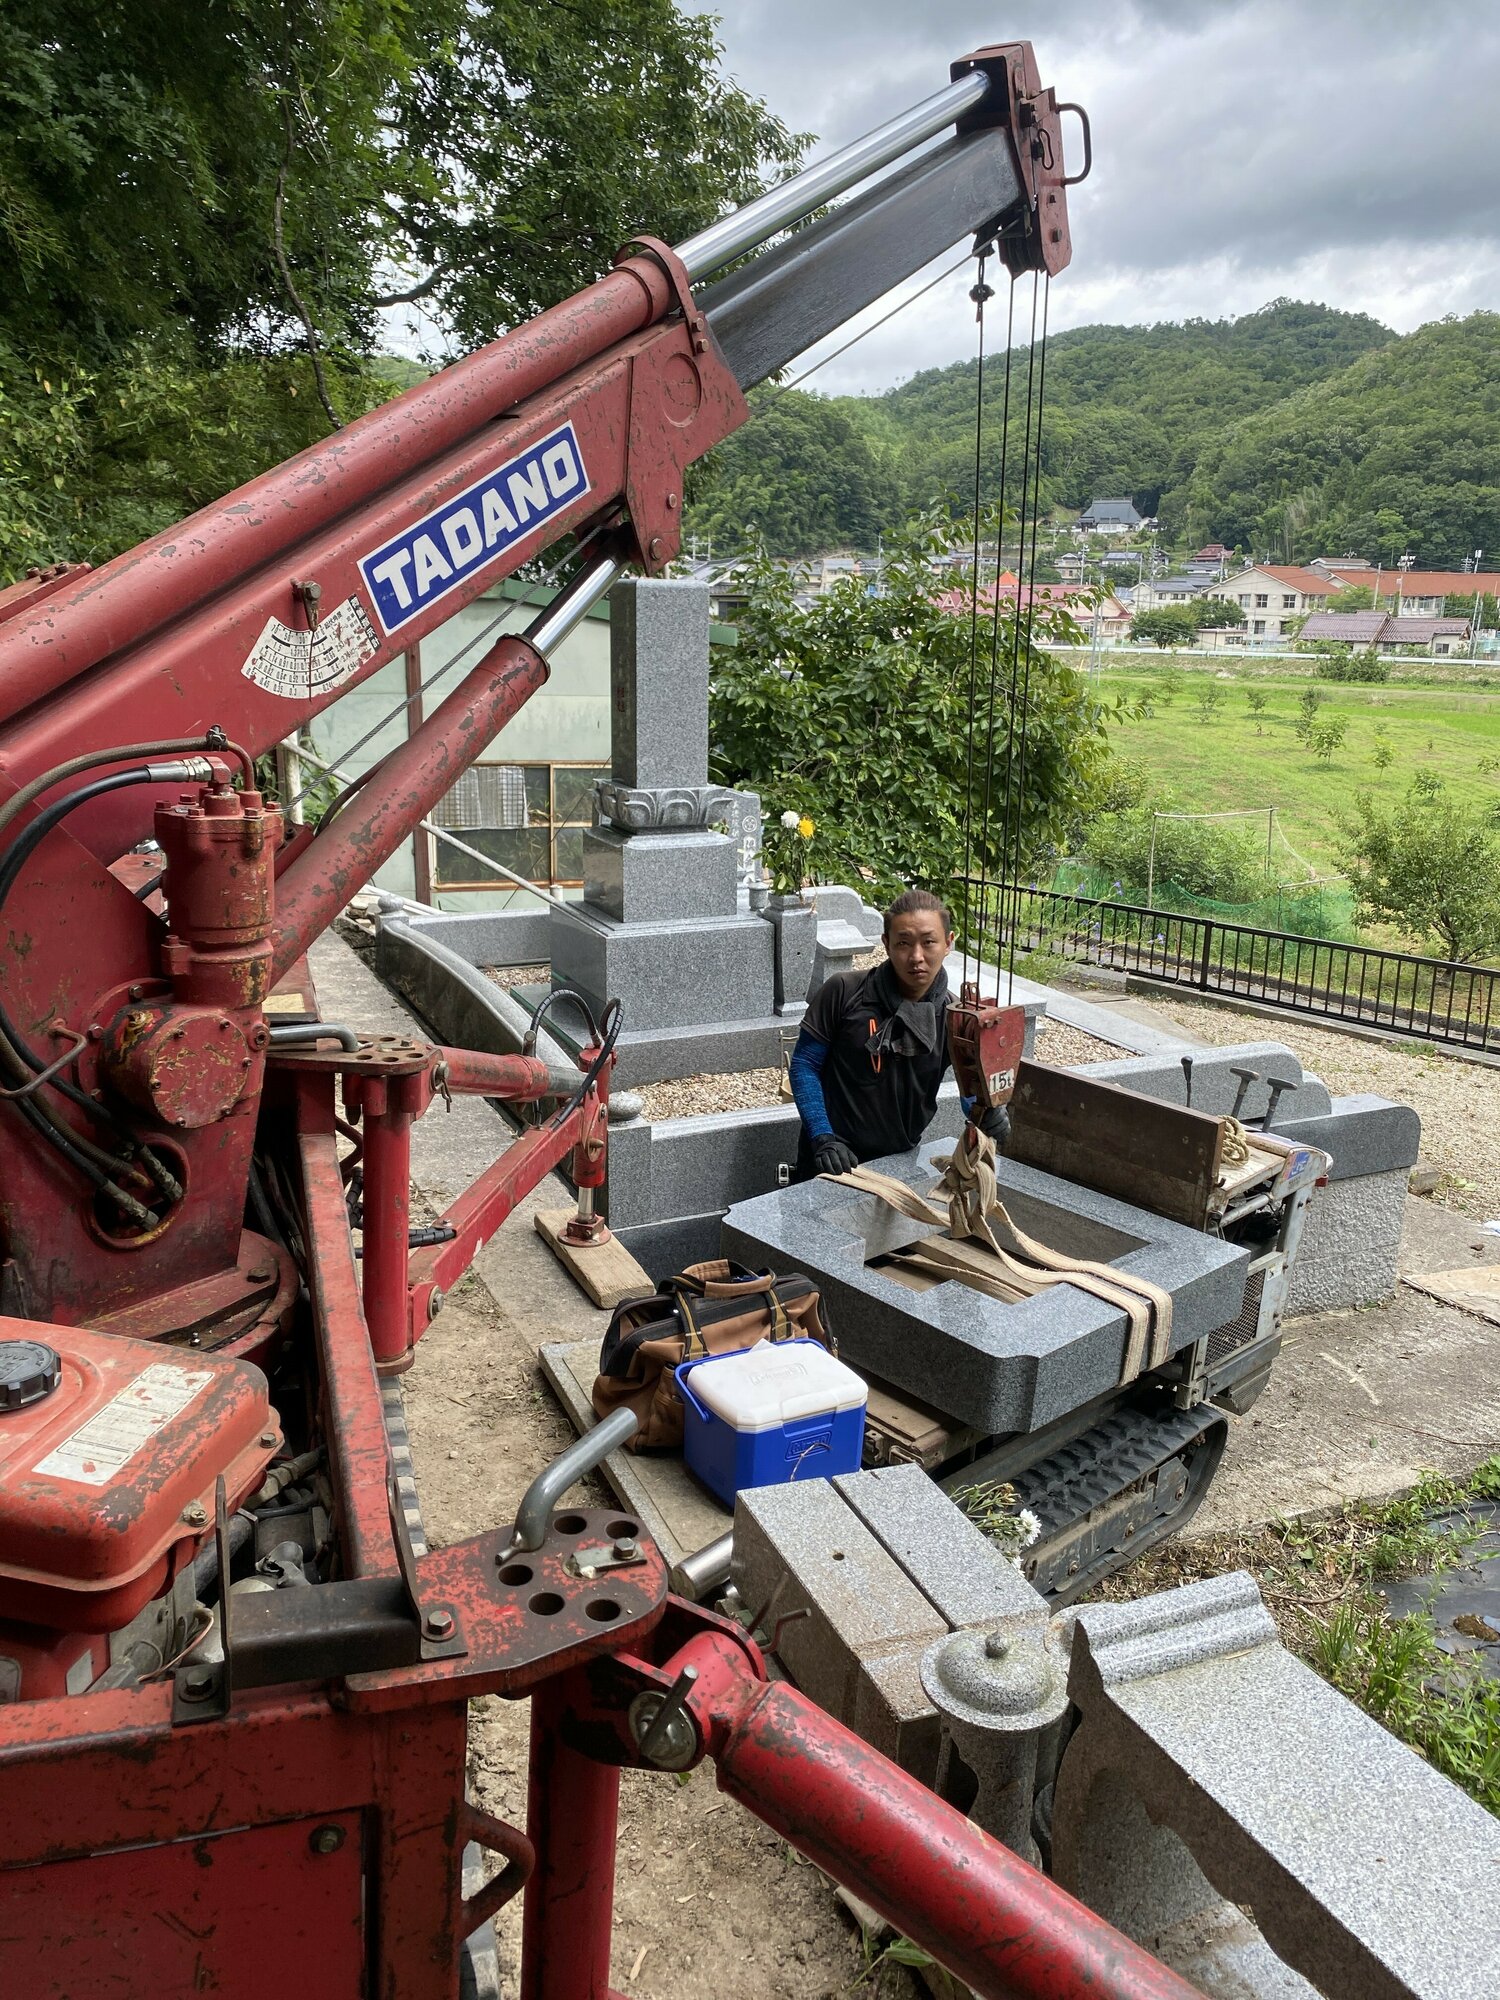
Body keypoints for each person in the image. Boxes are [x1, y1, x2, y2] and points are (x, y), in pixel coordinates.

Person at [787, 888, 1009, 1180]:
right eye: (904, 943)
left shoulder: (955, 1016)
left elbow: (969, 1084)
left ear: (948, 943)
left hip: (900, 1162)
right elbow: (805, 1065)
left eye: (929, 942)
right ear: (886, 944)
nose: (916, 957)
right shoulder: (844, 992)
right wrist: (822, 1136)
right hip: (832, 1159)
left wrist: (986, 1113)